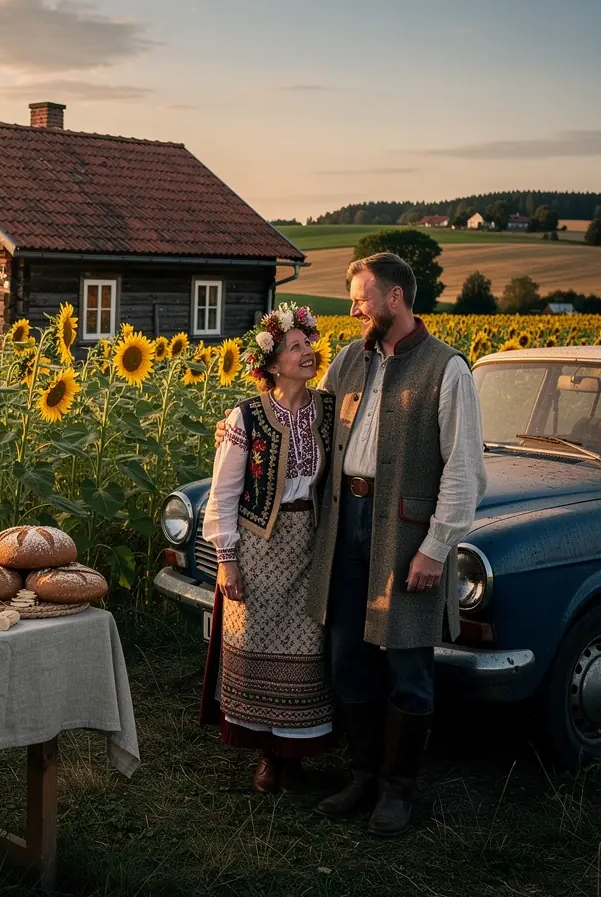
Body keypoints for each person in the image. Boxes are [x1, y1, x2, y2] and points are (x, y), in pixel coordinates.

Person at [214, 253, 485, 835]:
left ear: (395, 298)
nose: (355, 308)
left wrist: (436, 547)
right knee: (347, 657)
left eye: (362, 298)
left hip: (406, 531)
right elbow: (299, 410)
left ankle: (398, 791)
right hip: (342, 527)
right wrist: (240, 424)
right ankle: (362, 775)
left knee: (408, 662)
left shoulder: (447, 369)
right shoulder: (348, 360)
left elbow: (465, 469)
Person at [199, 302, 337, 794]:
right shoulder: (246, 416)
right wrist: (227, 561)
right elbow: (224, 493)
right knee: (255, 641)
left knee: (308, 647)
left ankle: (294, 757)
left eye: (309, 345)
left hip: (311, 546)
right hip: (259, 548)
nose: (308, 353)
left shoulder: (329, 410)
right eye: (296, 347)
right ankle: (265, 755)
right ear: (272, 364)